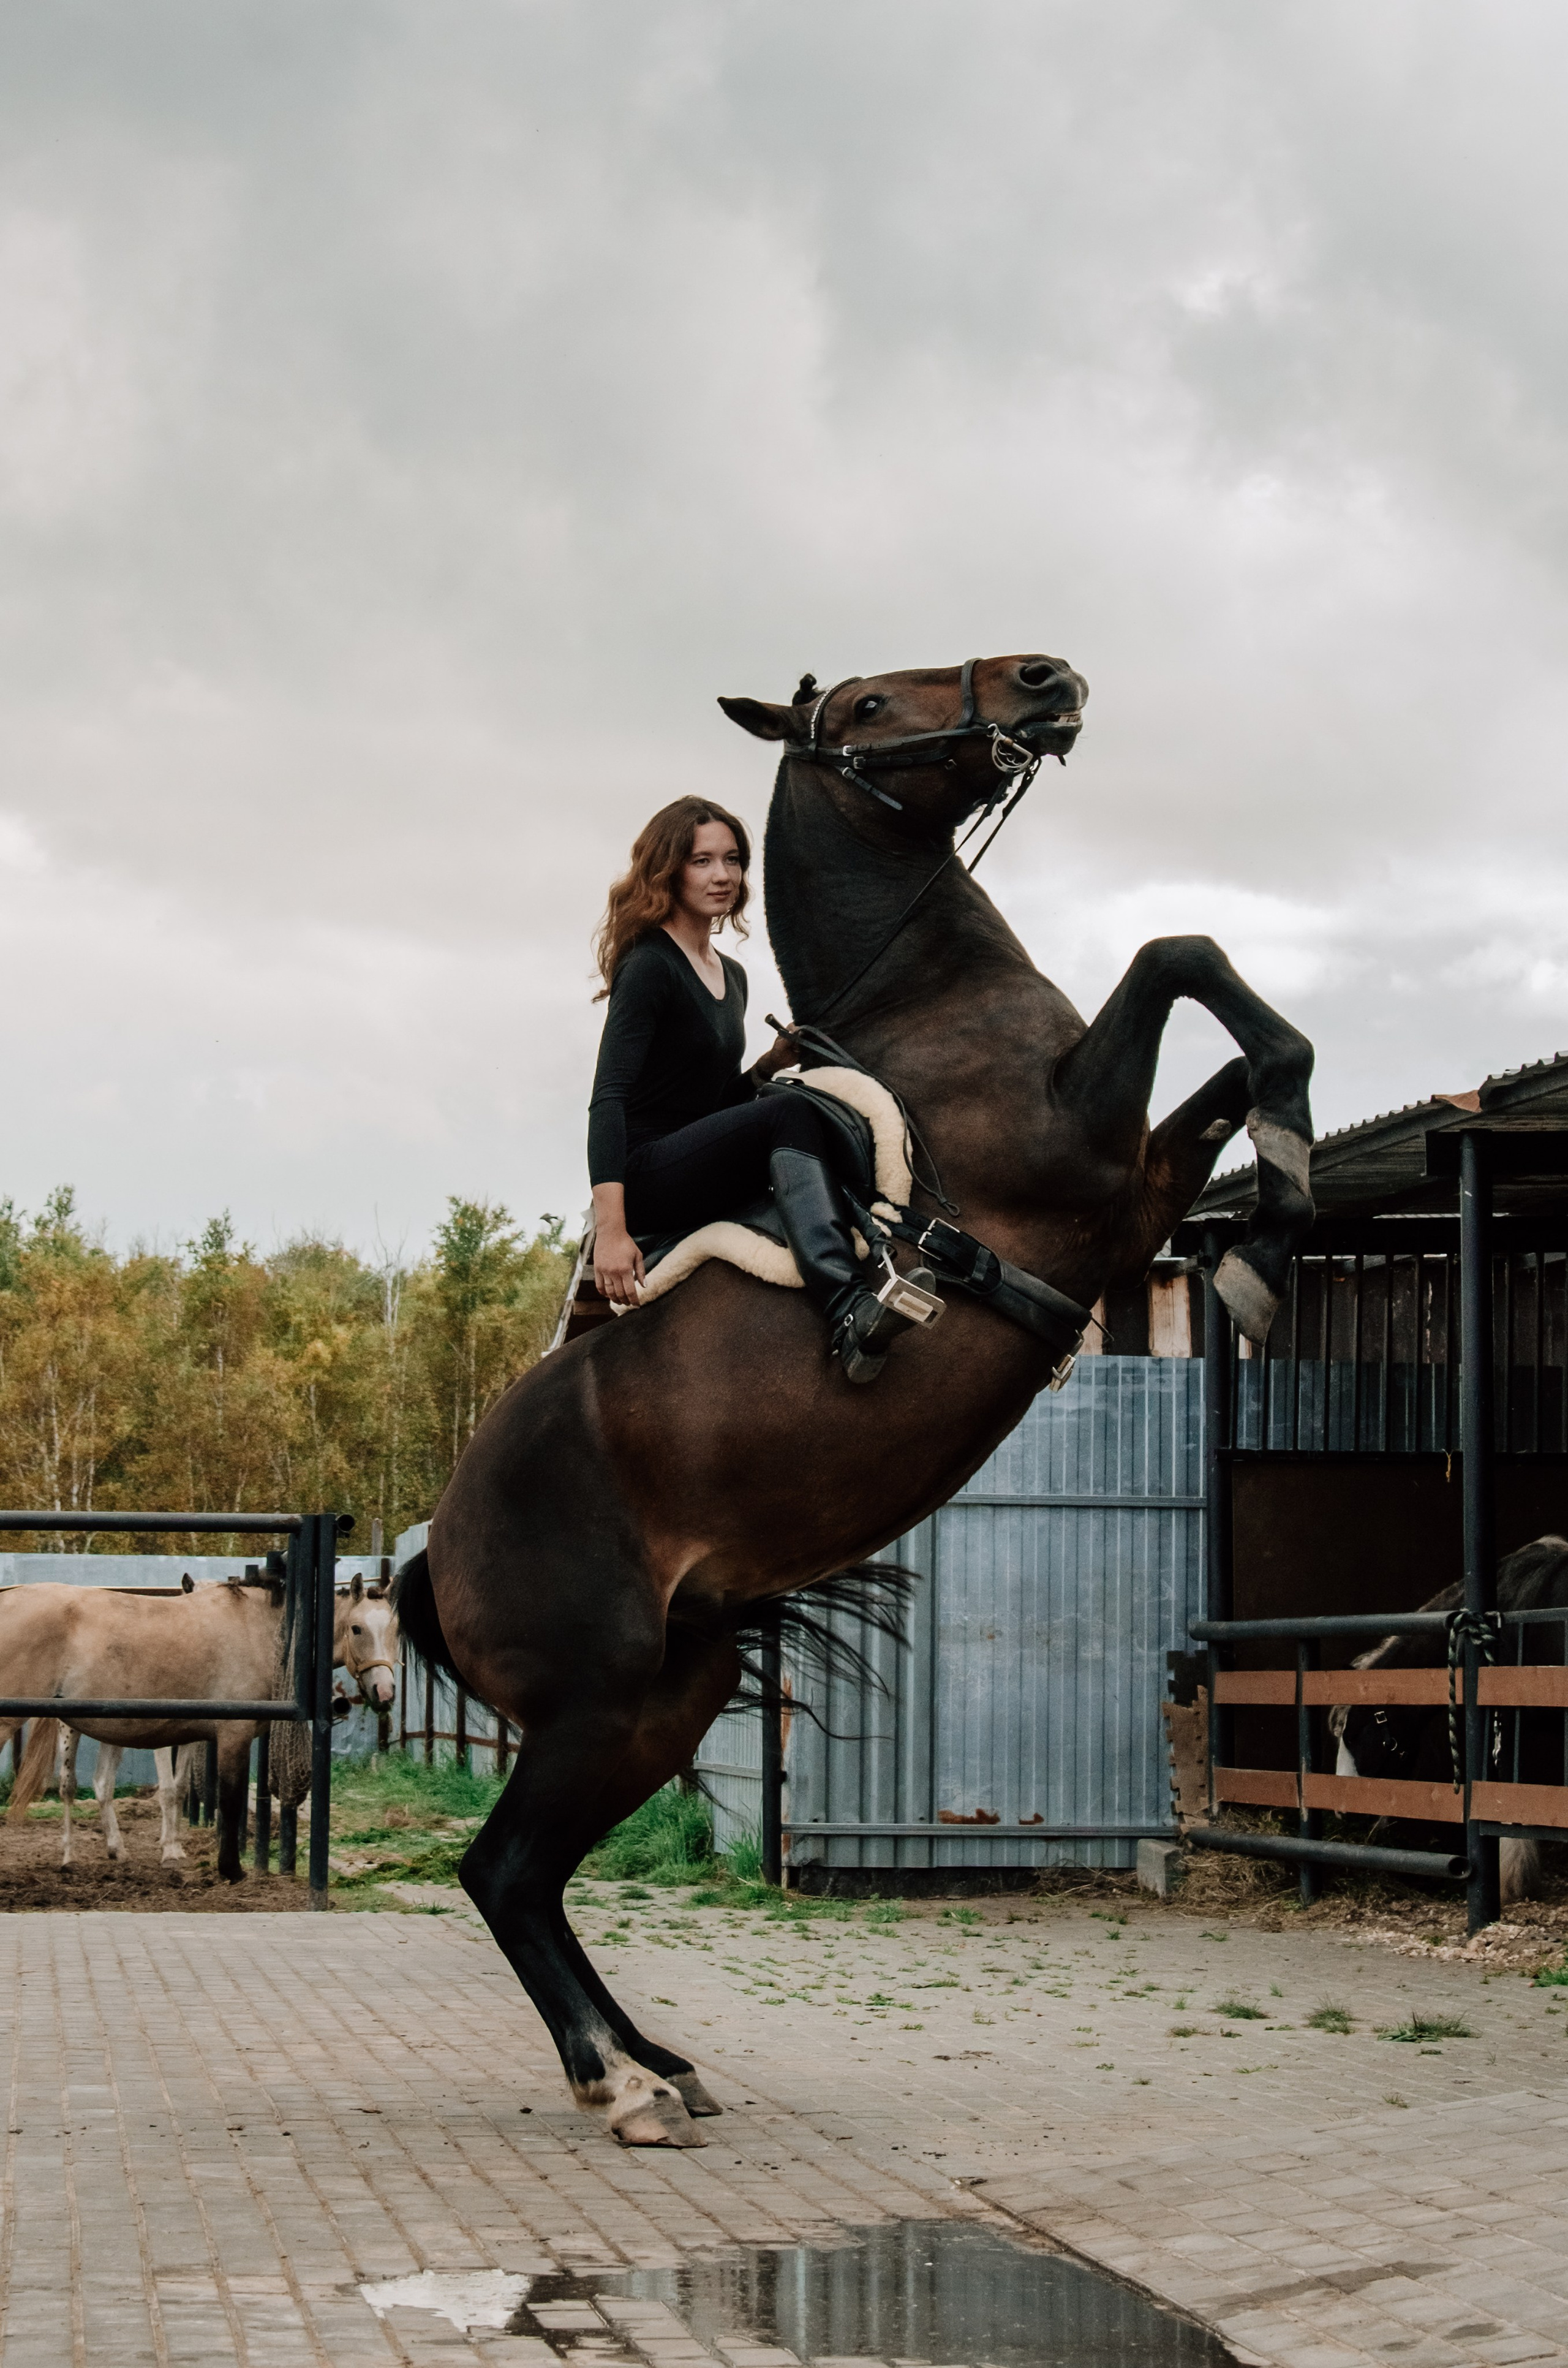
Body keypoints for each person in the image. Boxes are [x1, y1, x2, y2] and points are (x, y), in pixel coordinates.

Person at [587, 795, 937, 1384]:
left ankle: (886, 1249)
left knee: (807, 1110)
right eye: (702, 861)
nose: (723, 876)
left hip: (693, 1157)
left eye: (733, 860)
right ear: (668, 869)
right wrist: (612, 1231)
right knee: (788, 1116)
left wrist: (768, 1067)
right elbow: (609, 1099)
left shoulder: (734, 975)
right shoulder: (650, 965)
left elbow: (716, 1103)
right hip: (646, 1174)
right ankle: (848, 1306)